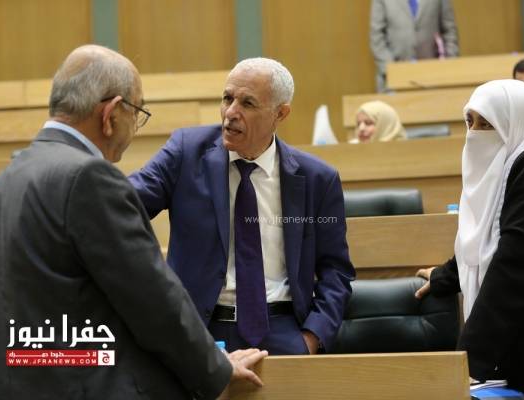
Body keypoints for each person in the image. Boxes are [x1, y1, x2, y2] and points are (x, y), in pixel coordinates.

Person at [0, 44, 267, 400]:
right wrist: (217, 370)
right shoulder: (88, 178)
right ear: (112, 114)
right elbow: (152, 300)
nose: (135, 129)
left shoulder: (6, 179)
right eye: (137, 112)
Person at [129, 57, 355, 356]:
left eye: (247, 103)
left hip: (283, 331)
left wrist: (312, 339)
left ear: (280, 113)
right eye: (227, 98)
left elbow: (336, 271)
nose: (231, 113)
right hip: (196, 331)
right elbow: (125, 203)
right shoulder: (186, 152)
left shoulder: (317, 179)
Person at [414, 79, 524, 399]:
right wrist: (446, 276)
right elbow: (488, 235)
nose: (475, 133)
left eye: (487, 124)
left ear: (516, 122)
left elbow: (515, 266)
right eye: (470, 121)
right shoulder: (514, 163)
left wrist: (466, 362)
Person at [369, 0, 459, 91]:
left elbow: (450, 31)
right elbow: (377, 37)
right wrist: (393, 71)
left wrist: (448, 66)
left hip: (433, 78)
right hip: (392, 81)